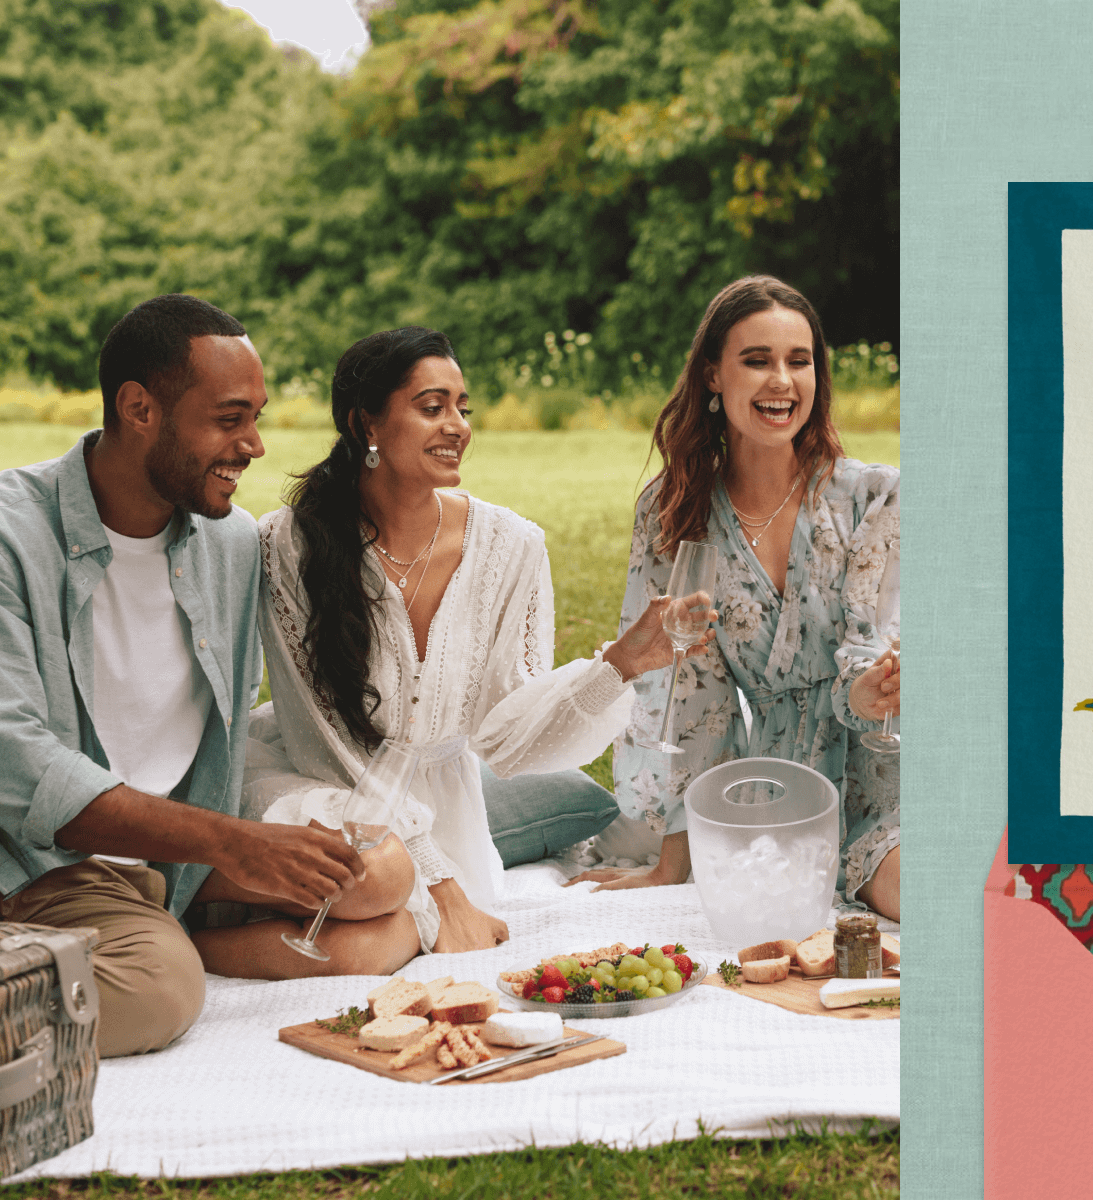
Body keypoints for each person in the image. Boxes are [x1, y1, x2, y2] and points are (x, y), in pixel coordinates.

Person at [191, 327, 705, 978]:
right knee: (379, 877)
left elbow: (509, 744)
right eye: (432, 407)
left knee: (373, 948)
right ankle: (182, 890)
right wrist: (440, 881)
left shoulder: (513, 546)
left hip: (445, 811)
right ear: (365, 424)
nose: (457, 425)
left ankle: (188, 942)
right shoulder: (288, 544)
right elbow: (327, 740)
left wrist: (618, 668)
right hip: (321, 788)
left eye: (464, 407)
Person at [0, 294, 373, 1055]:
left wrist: (252, 838)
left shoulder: (231, 545)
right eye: (229, 418)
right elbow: (20, 767)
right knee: (161, 987)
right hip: (34, 860)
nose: (255, 445)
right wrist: (233, 843)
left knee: (376, 876)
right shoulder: (12, 535)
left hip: (161, 861)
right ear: (139, 408)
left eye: (256, 417)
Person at [569, 275, 900, 921]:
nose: (782, 381)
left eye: (798, 361)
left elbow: (879, 640)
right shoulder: (675, 512)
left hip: (885, 775)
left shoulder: (876, 497)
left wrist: (866, 691)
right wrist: (674, 862)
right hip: (774, 791)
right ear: (713, 376)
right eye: (757, 361)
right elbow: (688, 695)